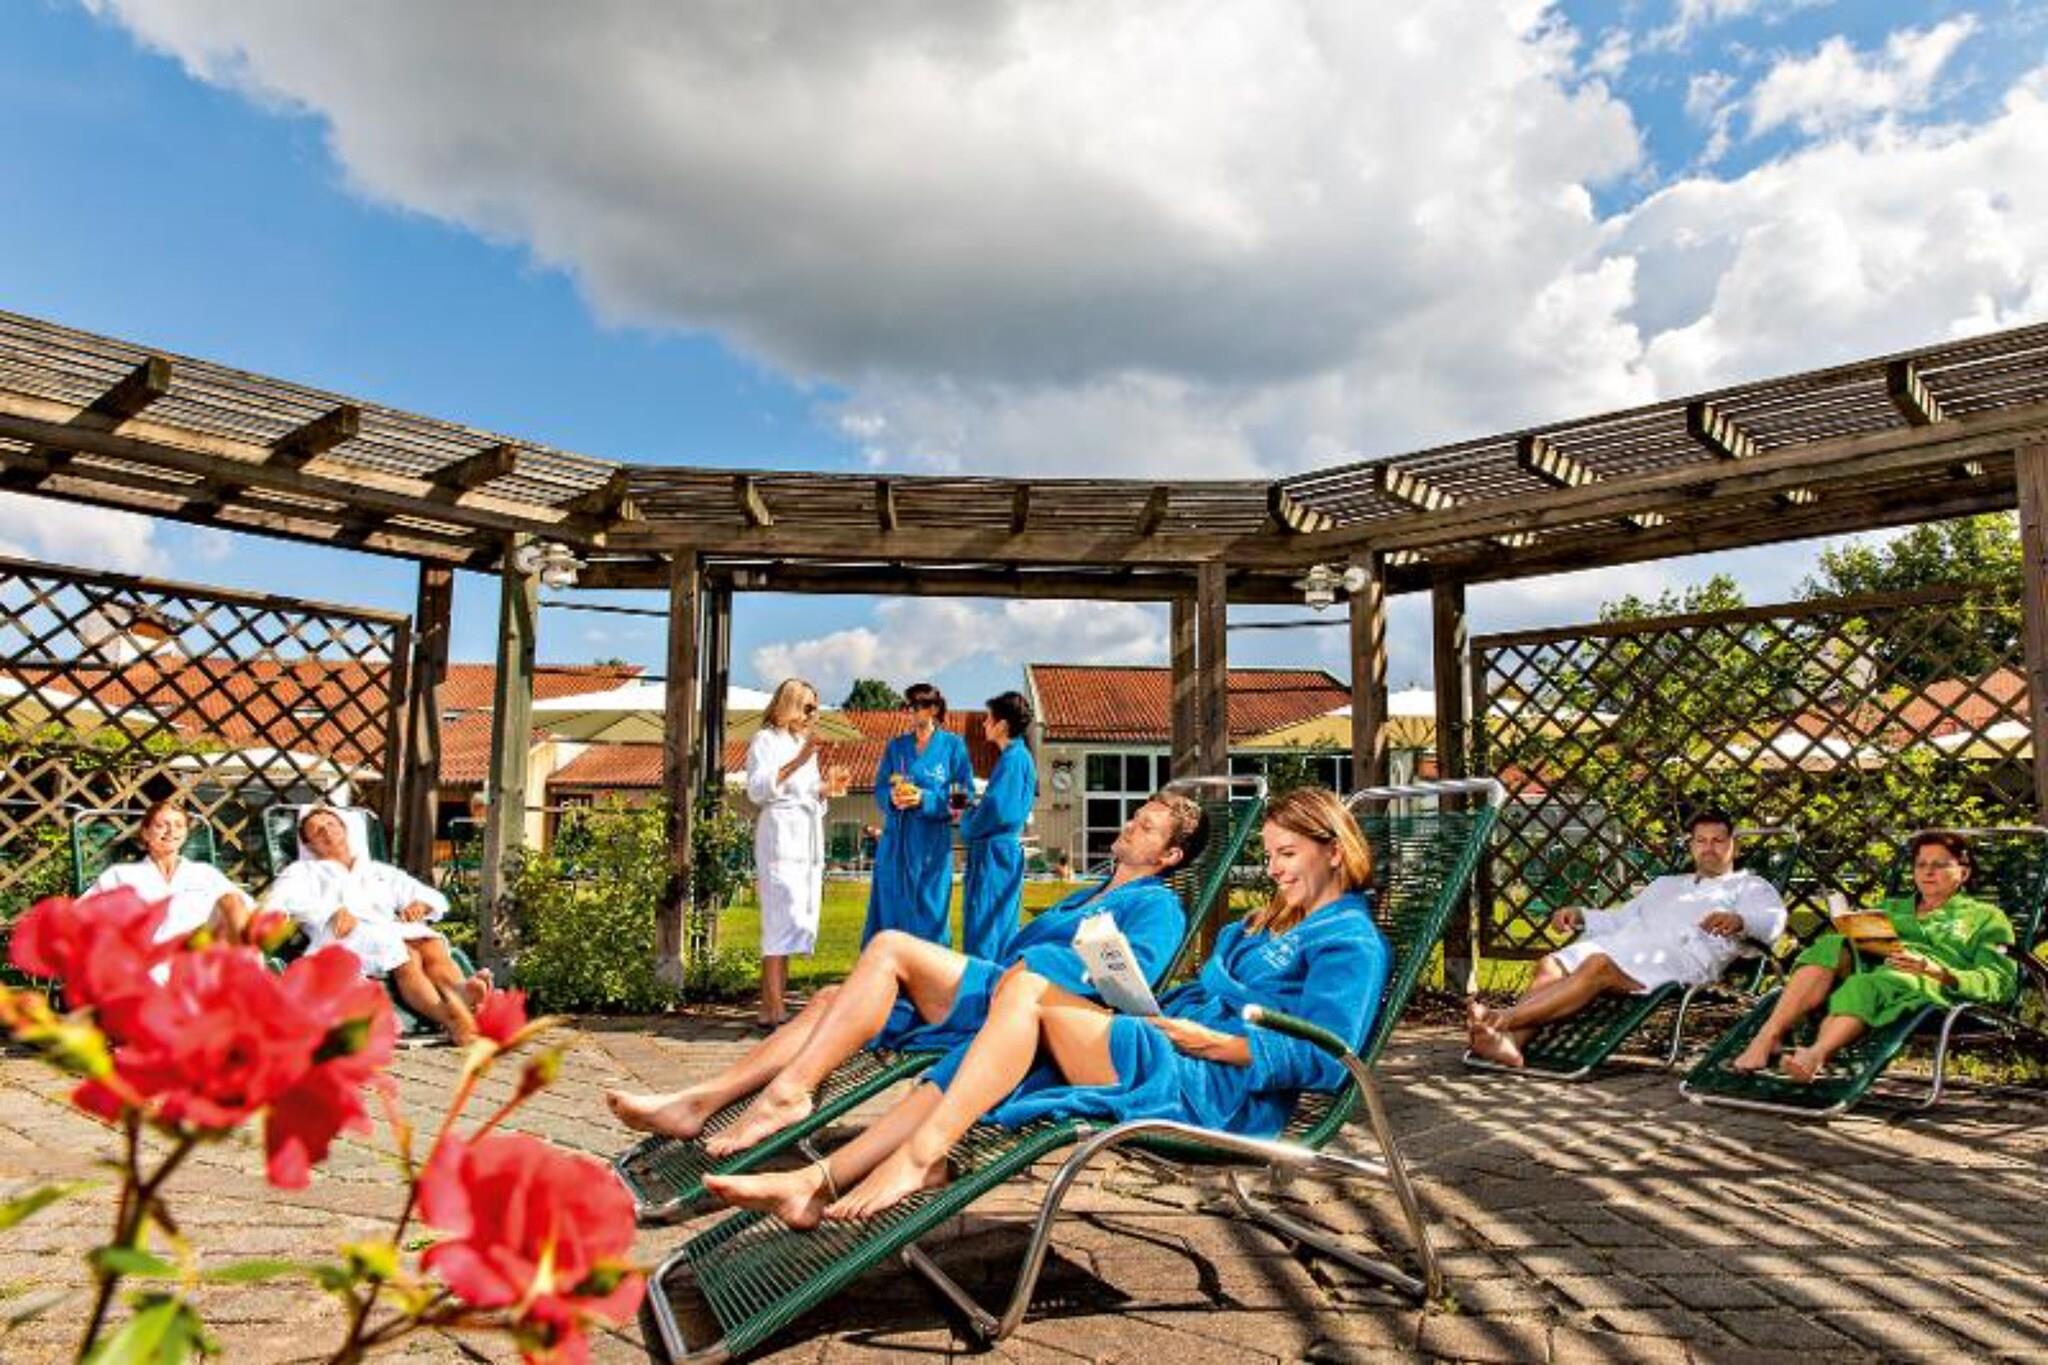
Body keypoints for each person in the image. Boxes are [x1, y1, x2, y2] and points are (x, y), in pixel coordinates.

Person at [703, 786, 1386, 1226]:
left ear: (1334, 850)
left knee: (1024, 994)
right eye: (1269, 854)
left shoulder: (1349, 940)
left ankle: (919, 1155)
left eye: (1287, 853)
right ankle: (816, 1179)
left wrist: (1218, 1043)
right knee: (993, 1043)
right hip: (1168, 1044)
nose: (1274, 868)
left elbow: (1331, 1059)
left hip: (1213, 1087)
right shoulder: (1270, 922)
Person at [605, 791, 1209, 1153]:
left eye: (1147, 826)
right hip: (993, 992)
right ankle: (699, 1101)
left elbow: (1130, 982)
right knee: (831, 1000)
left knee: (891, 947)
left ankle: (788, 1094)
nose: (1131, 824)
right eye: (1136, 816)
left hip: (1024, 1016)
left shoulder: (1157, 907)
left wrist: (1044, 965)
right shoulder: (1090, 892)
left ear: (1170, 855)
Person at [1469, 809, 1786, 1068]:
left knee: (1596, 966)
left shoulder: (1750, 886)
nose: (1709, 848)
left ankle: (1501, 1020)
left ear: (1734, 846)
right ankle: (1512, 1042)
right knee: (1550, 964)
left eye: (1718, 840)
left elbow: (1772, 922)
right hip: (1626, 945)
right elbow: (1621, 919)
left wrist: (1740, 920)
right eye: (1701, 840)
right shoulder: (1666, 884)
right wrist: (1580, 915)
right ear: (1691, 846)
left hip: (1678, 961)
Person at [1729, 829, 2016, 1081]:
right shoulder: (1892, 908)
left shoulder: (1986, 918)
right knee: (1830, 947)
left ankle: (1815, 1055)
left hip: (1931, 986)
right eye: (1921, 864)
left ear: (1963, 873)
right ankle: (1768, 1036)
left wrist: (1935, 970)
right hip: (1877, 969)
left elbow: (2000, 982)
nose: (1928, 872)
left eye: (1939, 865)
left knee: (1871, 983)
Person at [264, 806, 488, 1043]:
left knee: (429, 942)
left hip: (387, 929)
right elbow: (276, 903)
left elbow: (431, 896)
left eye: (331, 824)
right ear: (309, 845)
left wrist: (420, 905)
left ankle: (460, 991)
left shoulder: (377, 871)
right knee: (407, 954)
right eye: (318, 831)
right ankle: (450, 1018)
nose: (327, 832)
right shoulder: (302, 872)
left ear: (344, 829)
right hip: (343, 937)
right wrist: (329, 911)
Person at [745, 678, 849, 1031]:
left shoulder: (800, 743)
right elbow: (758, 789)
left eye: (815, 708)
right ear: (789, 703)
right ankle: (772, 1008)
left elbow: (806, 790)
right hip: (779, 835)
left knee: (791, 920)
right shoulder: (765, 740)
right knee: (779, 917)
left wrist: (826, 788)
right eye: (808, 707)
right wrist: (800, 759)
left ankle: (773, 1006)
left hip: (803, 836)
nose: (813, 715)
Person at [863, 683, 971, 946]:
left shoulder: (953, 747)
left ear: (933, 709)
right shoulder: (896, 747)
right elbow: (880, 788)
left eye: (916, 705)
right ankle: (891, 968)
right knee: (891, 914)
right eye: (907, 705)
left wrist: (926, 799)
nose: (910, 711)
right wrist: (891, 797)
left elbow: (962, 797)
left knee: (930, 915)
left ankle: (929, 968)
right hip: (896, 844)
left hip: (931, 845)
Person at [90, 798, 254, 946]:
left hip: (194, 961)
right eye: (161, 826)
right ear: (145, 833)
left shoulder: (204, 873)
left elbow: (248, 909)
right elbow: (84, 915)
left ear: (186, 833)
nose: (171, 831)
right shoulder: (120, 875)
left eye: (179, 825)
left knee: (232, 900)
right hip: (141, 960)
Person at [957, 690, 1037, 960]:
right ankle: (995, 980)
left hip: (994, 855)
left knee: (985, 927)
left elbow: (996, 810)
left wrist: (966, 818)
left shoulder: (1013, 759)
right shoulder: (1019, 757)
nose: (984, 724)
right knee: (999, 927)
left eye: (988, 718)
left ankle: (982, 982)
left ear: (1002, 725)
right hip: (1001, 853)